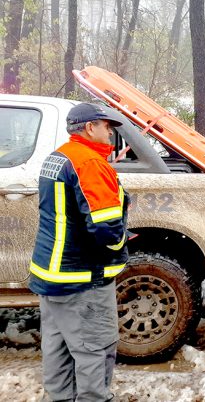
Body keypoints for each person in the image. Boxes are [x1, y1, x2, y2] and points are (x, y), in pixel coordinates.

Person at [28, 102, 129, 402]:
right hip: (83, 280)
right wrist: (122, 242)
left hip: (52, 276)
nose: (110, 133)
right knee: (95, 352)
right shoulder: (89, 164)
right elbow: (106, 229)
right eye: (106, 126)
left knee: (57, 353)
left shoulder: (58, 157)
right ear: (89, 127)